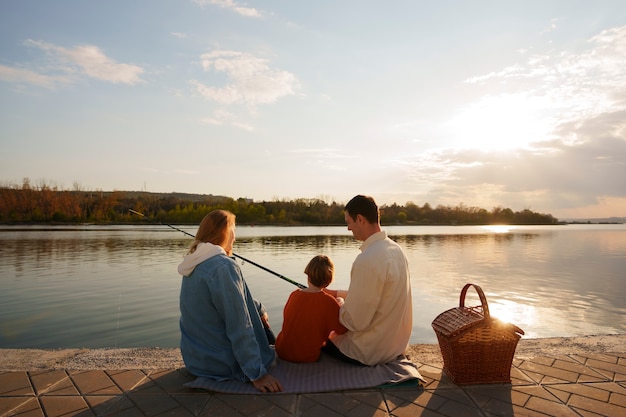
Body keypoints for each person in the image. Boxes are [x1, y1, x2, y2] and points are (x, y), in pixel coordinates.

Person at [178, 210, 283, 393]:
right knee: (269, 345)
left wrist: (259, 308)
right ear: (224, 233)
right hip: (221, 364)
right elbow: (239, 325)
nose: (235, 237)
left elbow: (222, 303)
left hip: (196, 361)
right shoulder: (223, 267)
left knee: (258, 315)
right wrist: (257, 374)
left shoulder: (194, 262)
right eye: (233, 230)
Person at [326, 195, 413, 366]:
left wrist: (338, 302)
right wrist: (331, 293)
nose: (348, 228)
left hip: (368, 353)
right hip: (395, 347)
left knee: (316, 327)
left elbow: (354, 321)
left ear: (360, 219)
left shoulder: (367, 260)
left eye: (349, 222)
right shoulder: (397, 251)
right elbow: (376, 297)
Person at [275, 255, 347, 363]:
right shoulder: (329, 302)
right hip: (307, 357)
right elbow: (342, 330)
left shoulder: (294, 295)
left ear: (308, 276)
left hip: (281, 351)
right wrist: (341, 304)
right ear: (328, 281)